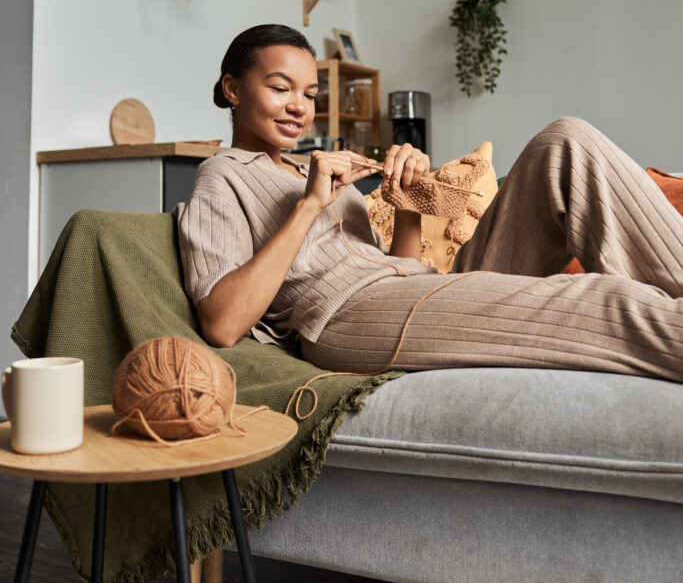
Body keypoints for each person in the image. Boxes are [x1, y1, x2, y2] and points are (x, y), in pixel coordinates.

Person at [175, 24, 683, 383]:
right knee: (604, 300)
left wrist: (408, 202)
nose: (298, 107)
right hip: (345, 319)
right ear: (233, 89)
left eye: (309, 94)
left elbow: (404, 267)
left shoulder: (318, 169)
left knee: (565, 143)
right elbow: (221, 323)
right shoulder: (221, 176)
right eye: (279, 88)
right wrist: (308, 206)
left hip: (419, 291)